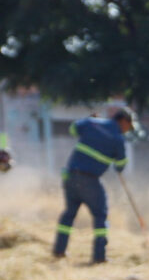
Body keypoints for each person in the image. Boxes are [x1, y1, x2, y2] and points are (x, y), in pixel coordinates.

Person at [52, 109, 135, 264]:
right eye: (128, 126)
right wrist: (116, 162)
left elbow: (72, 129)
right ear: (123, 121)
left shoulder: (91, 123)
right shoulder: (117, 139)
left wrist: (88, 119)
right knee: (100, 215)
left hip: (70, 176)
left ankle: (59, 250)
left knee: (69, 214)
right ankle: (99, 256)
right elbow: (120, 166)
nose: (126, 130)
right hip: (90, 180)